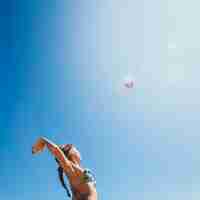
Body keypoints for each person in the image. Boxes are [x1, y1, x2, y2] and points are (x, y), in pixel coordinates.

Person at [32, 137, 98, 200]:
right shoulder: (71, 169)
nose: (78, 151)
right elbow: (56, 151)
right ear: (71, 153)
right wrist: (43, 140)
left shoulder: (76, 170)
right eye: (75, 149)